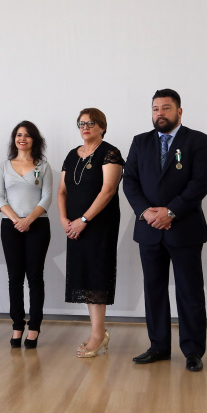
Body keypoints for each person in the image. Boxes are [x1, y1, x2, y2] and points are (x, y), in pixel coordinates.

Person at [122, 89, 207, 372]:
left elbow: (201, 181)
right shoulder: (140, 142)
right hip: (149, 229)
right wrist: (146, 212)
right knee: (154, 290)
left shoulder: (197, 140)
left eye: (166, 108)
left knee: (189, 291)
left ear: (179, 112)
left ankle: (193, 351)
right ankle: (159, 346)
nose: (159, 113)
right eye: (155, 109)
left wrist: (171, 211)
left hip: (184, 228)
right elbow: (130, 182)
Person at [58, 108, 123, 358]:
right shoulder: (72, 155)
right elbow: (62, 191)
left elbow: (108, 191)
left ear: (102, 127)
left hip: (98, 224)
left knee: (97, 275)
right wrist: (65, 220)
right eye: (81, 123)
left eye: (91, 123)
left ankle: (98, 334)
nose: (85, 127)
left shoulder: (110, 153)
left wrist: (84, 220)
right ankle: (98, 330)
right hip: (74, 226)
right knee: (84, 275)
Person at [0, 121, 53, 348]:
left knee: (35, 277)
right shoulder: (4, 165)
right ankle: (17, 325)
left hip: (37, 226)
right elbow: (0, 198)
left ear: (34, 140)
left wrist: (28, 220)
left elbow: (47, 197)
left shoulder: (44, 166)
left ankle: (35, 326)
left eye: (27, 135)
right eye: (19, 135)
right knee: (15, 278)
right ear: (14, 139)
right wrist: (16, 220)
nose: (22, 139)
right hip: (11, 227)